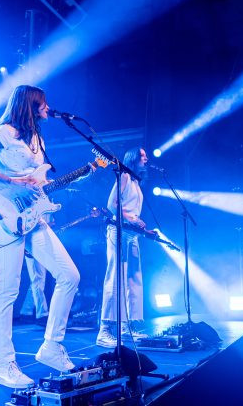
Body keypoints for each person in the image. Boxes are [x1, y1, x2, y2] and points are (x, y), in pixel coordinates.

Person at [0, 85, 81, 389]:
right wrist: (11, 180)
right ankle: (4, 365)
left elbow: (37, 179)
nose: (48, 108)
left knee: (69, 275)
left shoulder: (38, 140)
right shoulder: (5, 131)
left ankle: (51, 347)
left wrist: (47, 193)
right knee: (7, 291)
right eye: (43, 103)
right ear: (30, 104)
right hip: (6, 216)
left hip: (34, 217)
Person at [96, 147, 149, 348]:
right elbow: (112, 205)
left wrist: (139, 223)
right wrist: (132, 219)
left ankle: (128, 326)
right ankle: (104, 330)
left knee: (133, 278)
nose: (146, 158)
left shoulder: (136, 181)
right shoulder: (125, 176)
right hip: (118, 231)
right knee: (115, 277)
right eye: (142, 155)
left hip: (132, 233)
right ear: (133, 159)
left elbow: (130, 209)